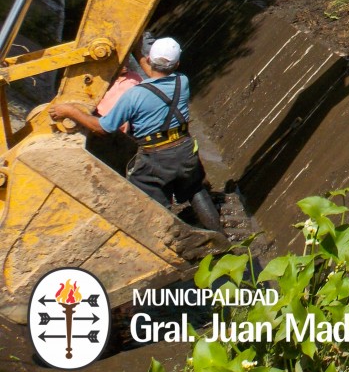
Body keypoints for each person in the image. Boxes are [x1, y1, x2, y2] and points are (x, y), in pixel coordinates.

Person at [49, 37, 222, 232]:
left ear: (149, 60)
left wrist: (70, 112)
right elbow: (157, 75)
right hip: (185, 149)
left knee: (152, 206)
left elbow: (102, 128)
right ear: (177, 64)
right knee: (195, 188)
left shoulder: (134, 95)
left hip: (156, 158)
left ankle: (172, 244)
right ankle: (220, 238)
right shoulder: (182, 81)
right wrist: (137, 51)